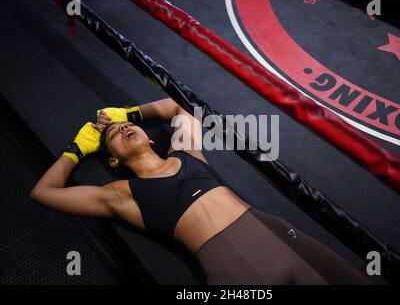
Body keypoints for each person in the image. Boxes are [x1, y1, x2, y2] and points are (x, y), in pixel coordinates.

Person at [30, 98, 368, 285]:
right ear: (114, 160)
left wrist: (131, 111)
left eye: (129, 125)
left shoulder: (188, 154)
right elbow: (43, 192)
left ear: (150, 138)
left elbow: (179, 106)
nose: (125, 127)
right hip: (233, 271)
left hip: (279, 236)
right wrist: (78, 149)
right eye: (116, 133)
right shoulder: (121, 193)